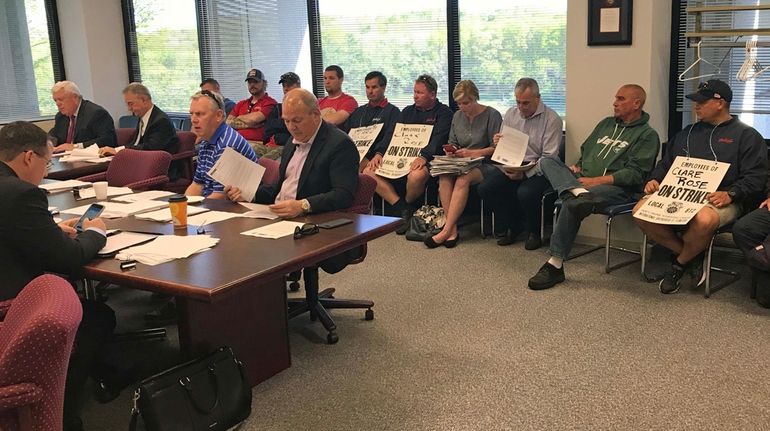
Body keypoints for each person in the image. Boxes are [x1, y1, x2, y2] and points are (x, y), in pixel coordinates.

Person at [0, 121, 111, 431]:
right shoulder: (20, 193)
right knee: (97, 318)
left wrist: (47, 229)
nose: (45, 170)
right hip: (9, 301)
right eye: (46, 162)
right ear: (28, 157)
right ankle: (62, 411)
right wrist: (95, 233)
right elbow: (69, 258)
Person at [634, 79, 768, 294]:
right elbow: (666, 163)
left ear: (720, 103)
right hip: (679, 194)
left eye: (702, 102)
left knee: (704, 219)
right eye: (696, 102)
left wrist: (731, 194)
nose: (696, 106)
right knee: (640, 211)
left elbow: (756, 177)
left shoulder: (747, 136)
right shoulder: (688, 132)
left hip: (720, 198)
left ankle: (678, 265)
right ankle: (691, 256)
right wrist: (655, 179)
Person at [527, 84, 660, 290]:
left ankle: (554, 265)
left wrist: (595, 181)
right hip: (583, 182)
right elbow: (586, 151)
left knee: (572, 203)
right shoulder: (606, 124)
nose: (615, 102)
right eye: (615, 98)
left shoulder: (647, 135)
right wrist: (577, 168)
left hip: (617, 190)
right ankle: (574, 190)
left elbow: (635, 174)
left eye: (621, 98)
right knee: (546, 162)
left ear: (637, 103)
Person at [225, 88, 359, 217]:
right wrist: (249, 194)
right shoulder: (292, 141)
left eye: (296, 120)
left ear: (316, 115)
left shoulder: (339, 144)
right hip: (277, 214)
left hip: (310, 219)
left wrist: (303, 206)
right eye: (286, 121)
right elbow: (282, 187)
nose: (291, 127)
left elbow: (343, 195)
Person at [477, 77, 563, 250]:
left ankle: (534, 232)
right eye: (518, 102)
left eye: (526, 103)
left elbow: (549, 157)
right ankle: (513, 225)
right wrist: (497, 142)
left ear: (538, 99)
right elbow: (503, 144)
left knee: (526, 192)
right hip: (514, 161)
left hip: (541, 167)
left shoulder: (552, 119)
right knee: (486, 188)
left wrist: (524, 174)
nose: (521, 107)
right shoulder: (511, 113)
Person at [364, 74, 453, 234]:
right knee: (368, 172)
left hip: (427, 160)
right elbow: (391, 134)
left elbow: (438, 140)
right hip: (398, 158)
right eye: (414, 92)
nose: (415, 96)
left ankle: (405, 208)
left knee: (416, 175)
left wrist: (424, 156)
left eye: (420, 93)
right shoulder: (407, 111)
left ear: (432, 94)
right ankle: (403, 209)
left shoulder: (444, 113)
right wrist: (379, 153)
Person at [424, 80, 501, 249]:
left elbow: (497, 149)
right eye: (459, 103)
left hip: (485, 164)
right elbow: (453, 141)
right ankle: (453, 229)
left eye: (466, 103)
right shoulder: (457, 116)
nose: (462, 107)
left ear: (475, 98)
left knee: (463, 179)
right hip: (461, 161)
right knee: (444, 176)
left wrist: (473, 153)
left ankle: (446, 230)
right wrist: (452, 151)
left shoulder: (492, 115)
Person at [186, 90, 258, 198]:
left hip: (231, 207)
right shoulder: (206, 141)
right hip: (211, 204)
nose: (193, 120)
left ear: (218, 115)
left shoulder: (228, 145)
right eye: (191, 114)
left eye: (200, 114)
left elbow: (220, 197)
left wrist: (189, 212)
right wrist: (183, 207)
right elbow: (197, 184)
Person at [99, 82, 179, 157]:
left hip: (159, 167)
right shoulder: (143, 118)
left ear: (144, 100)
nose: (129, 109)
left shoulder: (161, 121)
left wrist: (118, 151)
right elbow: (136, 144)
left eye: (131, 104)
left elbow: (150, 148)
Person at [346, 71, 400, 171]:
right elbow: (347, 134)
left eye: (374, 87)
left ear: (383, 88)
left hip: (379, 157)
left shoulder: (393, 111)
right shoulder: (359, 111)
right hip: (355, 154)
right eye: (367, 87)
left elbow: (391, 137)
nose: (370, 91)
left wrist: (379, 153)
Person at [49, 80, 117, 152]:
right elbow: (53, 136)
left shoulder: (96, 113)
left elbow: (108, 141)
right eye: (55, 100)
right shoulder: (61, 116)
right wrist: (48, 145)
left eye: (61, 99)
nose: (58, 104)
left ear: (75, 97)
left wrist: (76, 146)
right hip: (65, 159)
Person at [226, 68, 277, 144]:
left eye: (255, 82)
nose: (252, 85)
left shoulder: (270, 102)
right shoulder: (241, 103)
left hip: (257, 143)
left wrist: (239, 118)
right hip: (236, 141)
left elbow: (254, 120)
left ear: (264, 83)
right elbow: (228, 122)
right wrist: (249, 124)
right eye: (250, 82)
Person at [261, 72, 302, 159]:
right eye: (284, 85)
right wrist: (283, 126)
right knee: (245, 154)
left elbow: (299, 131)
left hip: (290, 147)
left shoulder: (304, 105)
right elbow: (268, 129)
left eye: (289, 85)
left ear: (298, 85)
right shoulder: (278, 107)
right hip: (270, 146)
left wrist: (278, 136)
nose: (286, 88)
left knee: (263, 162)